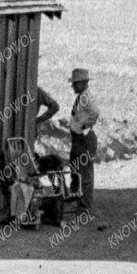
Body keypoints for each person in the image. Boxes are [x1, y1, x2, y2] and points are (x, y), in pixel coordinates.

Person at [35, 68, 100, 212]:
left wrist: (83, 126)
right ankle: (77, 200)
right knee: (76, 170)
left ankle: (85, 205)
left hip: (84, 138)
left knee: (85, 174)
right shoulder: (82, 97)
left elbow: (95, 112)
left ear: (83, 83)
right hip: (79, 139)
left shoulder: (85, 97)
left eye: (76, 83)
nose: (73, 86)